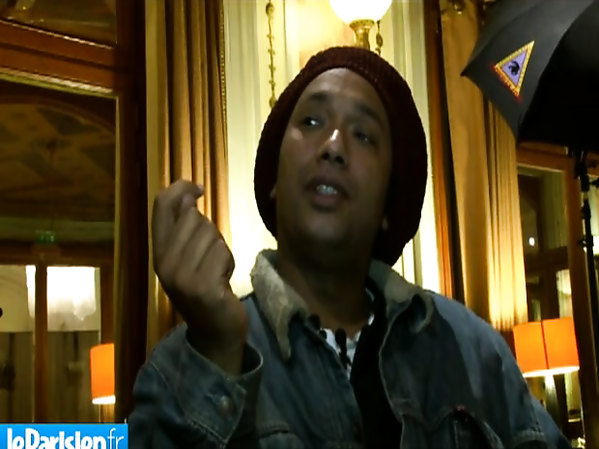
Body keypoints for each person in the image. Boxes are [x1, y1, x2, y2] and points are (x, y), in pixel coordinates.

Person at [129, 46, 570, 448]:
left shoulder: (470, 349)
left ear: (387, 206)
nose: (334, 146)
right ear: (274, 181)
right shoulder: (180, 367)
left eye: (364, 136)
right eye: (312, 122)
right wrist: (218, 357)